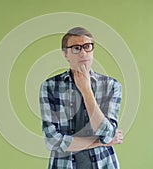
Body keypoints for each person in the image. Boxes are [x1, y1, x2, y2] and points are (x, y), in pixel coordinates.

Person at [39, 27, 123, 169]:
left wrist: (86, 90)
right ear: (66, 54)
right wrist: (100, 142)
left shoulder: (111, 86)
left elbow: (107, 134)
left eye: (87, 47)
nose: (83, 52)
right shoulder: (50, 87)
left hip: (104, 164)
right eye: (76, 48)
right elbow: (52, 140)